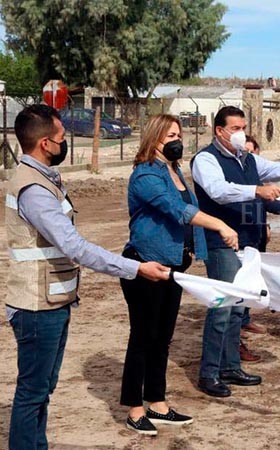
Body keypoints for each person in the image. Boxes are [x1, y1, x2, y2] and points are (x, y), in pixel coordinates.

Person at [4, 104, 170, 450]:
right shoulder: (33, 189)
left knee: (42, 389)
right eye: (62, 137)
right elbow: (74, 247)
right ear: (46, 144)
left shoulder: (44, 178)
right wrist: (135, 268)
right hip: (36, 306)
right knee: (33, 392)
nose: (65, 143)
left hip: (52, 299)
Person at [191, 106, 280, 398]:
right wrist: (256, 190)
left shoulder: (248, 159)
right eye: (236, 128)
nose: (241, 133)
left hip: (248, 243)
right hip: (221, 243)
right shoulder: (205, 159)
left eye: (244, 127)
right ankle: (209, 373)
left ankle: (230, 367)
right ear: (220, 131)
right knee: (222, 308)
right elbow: (218, 191)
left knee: (238, 307)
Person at [119, 115, 240, 436]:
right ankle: (134, 409)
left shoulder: (176, 172)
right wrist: (220, 225)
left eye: (179, 134)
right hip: (144, 265)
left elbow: (186, 212)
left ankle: (157, 403)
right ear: (154, 138)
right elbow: (178, 210)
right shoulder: (145, 175)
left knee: (162, 338)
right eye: (170, 135)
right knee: (142, 338)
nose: (177, 140)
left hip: (173, 267)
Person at [239, 135, 266, 364]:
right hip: (239, 239)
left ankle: (245, 318)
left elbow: (265, 205)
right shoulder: (239, 184)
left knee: (253, 279)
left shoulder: (257, 177)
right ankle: (236, 344)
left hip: (256, 234)